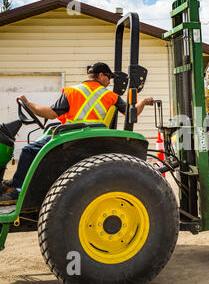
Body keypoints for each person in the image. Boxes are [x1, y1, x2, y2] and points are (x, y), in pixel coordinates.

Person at [0, 62, 154, 205]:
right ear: (101, 75)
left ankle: (17, 189)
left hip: (71, 135)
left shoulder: (72, 91)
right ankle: (17, 184)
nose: (109, 81)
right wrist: (144, 102)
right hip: (93, 135)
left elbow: (51, 114)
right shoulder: (110, 96)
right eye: (109, 77)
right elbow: (132, 112)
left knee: (28, 150)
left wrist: (29, 104)